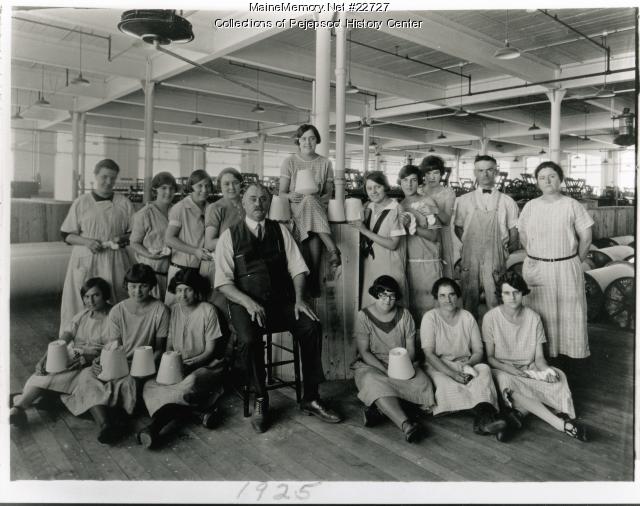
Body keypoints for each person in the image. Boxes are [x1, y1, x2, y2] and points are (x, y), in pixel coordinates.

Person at [214, 183, 342, 433]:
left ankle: (311, 397)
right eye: (253, 199)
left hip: (279, 303)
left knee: (311, 326)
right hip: (244, 304)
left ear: (269, 202)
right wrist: (248, 302)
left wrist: (299, 299)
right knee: (249, 340)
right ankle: (261, 399)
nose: (258, 204)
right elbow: (222, 282)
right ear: (243, 203)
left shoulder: (280, 231)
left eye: (263, 199)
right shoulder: (230, 236)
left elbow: (297, 268)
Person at [60, 264, 170, 444]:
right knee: (88, 375)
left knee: (127, 383)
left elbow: (160, 348)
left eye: (143, 285)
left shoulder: (160, 310)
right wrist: (100, 361)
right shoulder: (118, 310)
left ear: (151, 286)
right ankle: (105, 424)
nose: (137, 291)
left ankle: (114, 417)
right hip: (119, 359)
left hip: (145, 363)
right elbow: (113, 346)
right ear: (126, 286)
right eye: (133, 286)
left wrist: (143, 367)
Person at [482, 272, 587, 441]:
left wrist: (547, 372)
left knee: (559, 376)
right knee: (506, 383)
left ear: (523, 293)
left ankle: (514, 418)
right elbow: (491, 358)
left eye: (516, 292)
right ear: (500, 295)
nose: (512, 297)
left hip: (530, 368)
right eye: (507, 293)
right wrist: (511, 370)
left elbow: (539, 359)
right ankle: (561, 425)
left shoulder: (533, 317)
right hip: (503, 369)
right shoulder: (490, 318)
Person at [138, 270, 225, 448]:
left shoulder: (208, 310)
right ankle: (196, 413)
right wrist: (170, 365)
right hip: (177, 366)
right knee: (149, 385)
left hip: (205, 367)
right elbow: (169, 347)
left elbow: (210, 351)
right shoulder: (173, 311)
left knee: (190, 383)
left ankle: (155, 427)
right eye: (178, 291)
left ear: (197, 290)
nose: (183, 295)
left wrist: (190, 364)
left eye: (188, 290)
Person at [9, 278, 112, 427]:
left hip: (98, 359)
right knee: (48, 372)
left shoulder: (113, 315)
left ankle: (34, 397)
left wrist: (87, 359)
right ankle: (18, 409)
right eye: (86, 297)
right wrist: (45, 358)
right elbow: (62, 341)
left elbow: (114, 346)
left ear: (105, 295)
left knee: (86, 382)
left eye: (96, 295)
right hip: (76, 355)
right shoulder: (82, 316)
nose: (91, 301)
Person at [518, 161, 594, 360]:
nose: (547, 181)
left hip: (566, 266)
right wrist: (537, 255)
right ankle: (542, 354)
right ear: (537, 182)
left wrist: (574, 261)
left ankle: (569, 354)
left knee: (569, 312)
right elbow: (523, 236)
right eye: (542, 177)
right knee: (539, 311)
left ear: (560, 179)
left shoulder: (572, 205)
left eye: (552, 176)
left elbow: (586, 237)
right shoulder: (530, 206)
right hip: (537, 267)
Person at [420, 278, 506, 439]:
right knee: (446, 384)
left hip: (466, 363)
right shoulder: (430, 318)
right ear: (437, 298)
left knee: (485, 370)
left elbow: (479, 350)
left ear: (458, 296)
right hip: (440, 365)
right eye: (443, 296)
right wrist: (453, 374)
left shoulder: (467, 317)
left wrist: (469, 364)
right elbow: (429, 354)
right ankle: (486, 419)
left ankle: (484, 422)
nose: (448, 300)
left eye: (452, 295)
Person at [353, 276, 434, 443]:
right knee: (373, 382)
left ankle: (380, 410)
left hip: (402, 363)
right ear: (375, 295)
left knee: (424, 382)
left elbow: (411, 350)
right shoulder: (363, 316)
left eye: (392, 296)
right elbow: (365, 352)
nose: (387, 300)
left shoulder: (405, 315)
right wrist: (386, 370)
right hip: (373, 365)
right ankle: (407, 425)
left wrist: (400, 367)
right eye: (383, 295)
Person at [59, 158, 134, 333]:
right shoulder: (82, 202)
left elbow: (135, 233)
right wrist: (87, 242)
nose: (108, 182)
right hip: (87, 259)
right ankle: (79, 339)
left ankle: (114, 339)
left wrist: (122, 238)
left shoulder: (123, 203)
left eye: (113, 178)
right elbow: (65, 234)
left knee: (116, 298)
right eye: (104, 177)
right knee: (84, 301)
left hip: (115, 259)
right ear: (95, 176)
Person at [279, 124, 341, 297]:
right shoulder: (289, 162)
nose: (308, 142)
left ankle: (310, 283)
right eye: (304, 138)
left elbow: (328, 194)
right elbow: (281, 193)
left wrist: (316, 200)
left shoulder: (325, 163)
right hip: (296, 209)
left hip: (317, 208)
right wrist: (291, 196)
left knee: (311, 200)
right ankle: (333, 250)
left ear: (317, 141)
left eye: (312, 138)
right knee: (308, 204)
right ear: (298, 141)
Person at [454, 155, 519, 318]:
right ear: (475, 173)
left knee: (496, 299)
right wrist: (470, 245)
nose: (485, 175)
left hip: (496, 256)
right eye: (481, 171)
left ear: (496, 172)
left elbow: (514, 233)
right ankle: (471, 339)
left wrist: (502, 252)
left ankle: (496, 340)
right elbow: (459, 228)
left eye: (489, 170)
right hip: (470, 257)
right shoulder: (464, 200)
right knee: (469, 299)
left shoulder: (507, 201)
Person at [351, 171, 408, 308]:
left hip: (390, 265)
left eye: (378, 187)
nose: (373, 192)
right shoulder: (368, 207)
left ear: (385, 187)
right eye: (369, 188)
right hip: (371, 264)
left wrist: (364, 230)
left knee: (390, 304)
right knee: (372, 303)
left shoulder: (396, 209)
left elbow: (393, 244)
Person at [399, 164, 442, 322]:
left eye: (413, 180)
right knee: (413, 311)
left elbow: (435, 235)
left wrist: (413, 228)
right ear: (400, 182)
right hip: (408, 264)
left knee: (431, 311)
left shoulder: (428, 203)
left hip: (428, 263)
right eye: (405, 180)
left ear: (419, 183)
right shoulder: (399, 206)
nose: (409, 184)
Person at [165, 169, 213, 305]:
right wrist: (195, 251)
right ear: (191, 187)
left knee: (198, 312)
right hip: (181, 270)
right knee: (175, 311)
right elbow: (169, 238)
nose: (204, 189)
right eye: (200, 186)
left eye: (208, 185)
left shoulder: (211, 208)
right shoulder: (180, 208)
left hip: (202, 271)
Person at [201, 167, 245, 310]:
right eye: (226, 184)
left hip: (242, 264)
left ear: (241, 184)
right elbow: (209, 243)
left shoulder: (247, 204)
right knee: (220, 309)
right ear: (220, 185)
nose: (231, 187)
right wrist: (240, 242)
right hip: (220, 266)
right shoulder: (215, 208)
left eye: (235, 183)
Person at [130, 172, 177, 300]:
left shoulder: (177, 211)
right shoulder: (145, 214)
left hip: (172, 272)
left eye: (171, 188)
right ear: (155, 190)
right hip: (152, 273)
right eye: (163, 188)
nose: (168, 192)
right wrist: (149, 254)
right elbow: (134, 242)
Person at [419, 156, 457, 278]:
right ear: (424, 174)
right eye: (428, 173)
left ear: (441, 174)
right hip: (422, 235)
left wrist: (434, 209)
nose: (432, 177)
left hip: (441, 236)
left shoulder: (448, 192)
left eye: (436, 172)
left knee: (442, 273)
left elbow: (446, 220)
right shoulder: (419, 191)